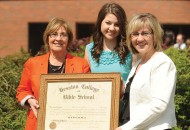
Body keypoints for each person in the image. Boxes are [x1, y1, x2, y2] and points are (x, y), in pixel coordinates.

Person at [16, 17, 90, 130]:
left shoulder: (81, 65)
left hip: (71, 124)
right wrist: (30, 100)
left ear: (68, 39)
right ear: (47, 38)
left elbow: (88, 96)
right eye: (54, 34)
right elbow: (22, 90)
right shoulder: (32, 63)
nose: (58, 39)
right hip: (37, 122)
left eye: (63, 35)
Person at [116, 13, 177, 130]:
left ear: (155, 35)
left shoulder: (162, 63)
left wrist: (125, 128)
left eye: (145, 33)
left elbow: (159, 105)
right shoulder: (139, 63)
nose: (139, 39)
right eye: (135, 34)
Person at [84, 2, 132, 84]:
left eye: (117, 24)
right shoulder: (89, 49)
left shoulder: (130, 50)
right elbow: (85, 80)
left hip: (124, 97)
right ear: (100, 23)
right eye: (108, 23)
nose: (112, 28)